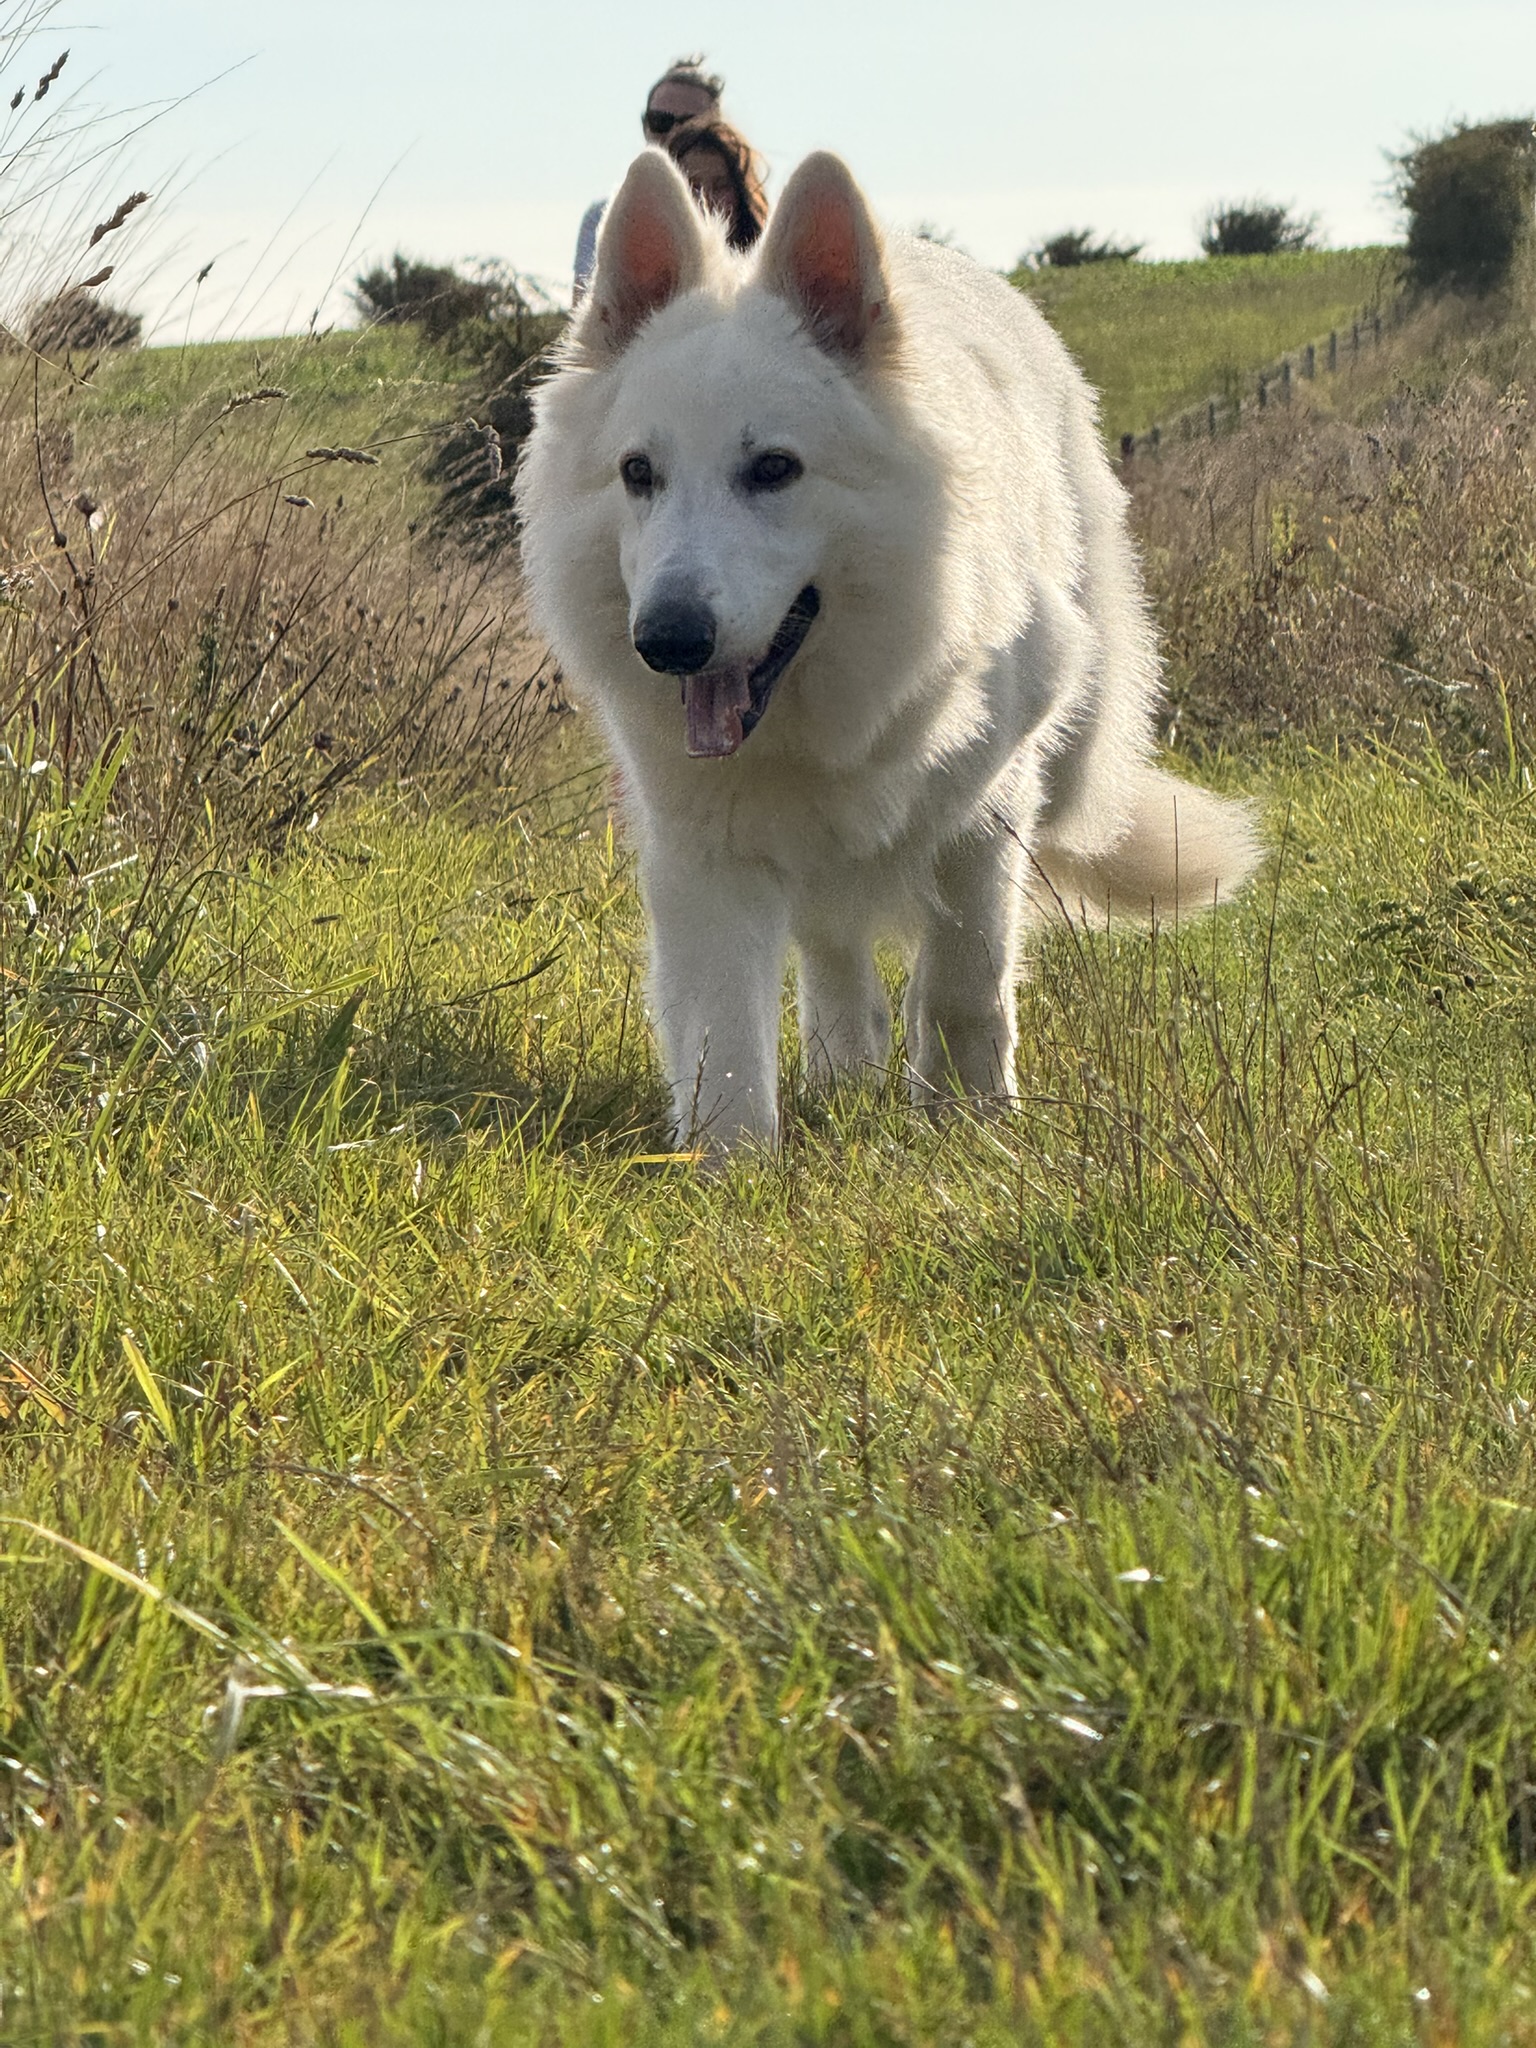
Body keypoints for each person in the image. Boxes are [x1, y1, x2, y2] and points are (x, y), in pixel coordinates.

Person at [573, 57, 724, 295]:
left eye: (689, 123)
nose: (674, 132)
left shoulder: (742, 211)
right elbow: (584, 317)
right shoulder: (601, 217)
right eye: (660, 121)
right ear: (645, 126)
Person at [663, 118, 768, 252]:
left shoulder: (764, 267)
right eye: (693, 187)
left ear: (740, 194)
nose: (706, 199)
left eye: (721, 186)